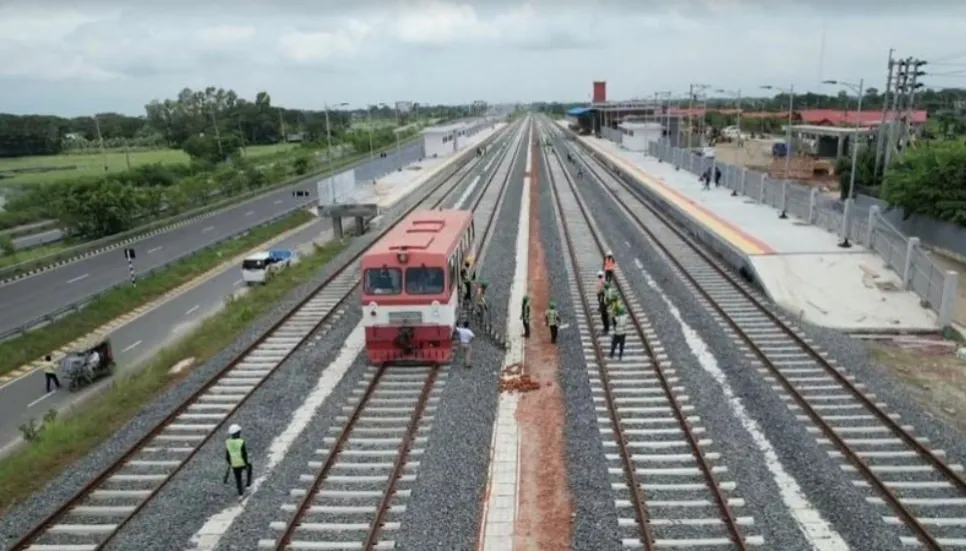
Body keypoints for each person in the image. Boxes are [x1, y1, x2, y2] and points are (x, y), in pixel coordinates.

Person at [225, 424, 252, 500]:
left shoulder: (228, 442)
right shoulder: (241, 442)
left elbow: (227, 456)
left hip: (234, 464)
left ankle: (240, 494)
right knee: (250, 467)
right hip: (241, 462)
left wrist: (230, 463)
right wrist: (246, 464)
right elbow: (244, 454)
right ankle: (248, 485)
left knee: (238, 478)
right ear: (238, 433)